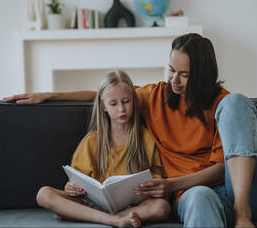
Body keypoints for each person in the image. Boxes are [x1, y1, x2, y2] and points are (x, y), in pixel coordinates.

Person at [5, 33, 257, 227]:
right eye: (171, 70)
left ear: (203, 75)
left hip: (251, 192)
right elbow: (108, 95)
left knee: (238, 102)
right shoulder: (156, 97)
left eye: (184, 75)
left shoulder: (221, 103)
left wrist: (171, 185)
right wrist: (49, 96)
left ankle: (242, 213)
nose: (174, 80)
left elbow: (225, 168)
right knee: (198, 197)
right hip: (200, 197)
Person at [35, 70, 170, 228]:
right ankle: (113, 220)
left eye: (126, 101)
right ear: (103, 106)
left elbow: (158, 179)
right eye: (113, 104)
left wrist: (149, 188)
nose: (121, 109)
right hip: (92, 204)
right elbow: (75, 181)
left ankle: (92, 217)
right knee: (44, 194)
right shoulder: (92, 141)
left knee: (161, 207)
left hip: (133, 206)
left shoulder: (145, 137)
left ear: (134, 100)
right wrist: (71, 187)